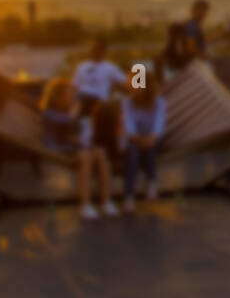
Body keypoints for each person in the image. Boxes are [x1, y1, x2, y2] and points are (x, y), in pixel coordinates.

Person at [40, 77, 116, 220]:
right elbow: (64, 123)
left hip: (72, 147)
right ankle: (85, 205)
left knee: (101, 152)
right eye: (70, 94)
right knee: (86, 157)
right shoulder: (48, 112)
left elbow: (78, 132)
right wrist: (75, 113)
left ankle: (106, 201)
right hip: (57, 148)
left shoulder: (69, 110)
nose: (73, 97)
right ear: (59, 97)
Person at [120, 77, 167, 211]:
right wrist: (139, 139)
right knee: (133, 151)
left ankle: (151, 182)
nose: (135, 90)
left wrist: (150, 138)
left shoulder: (159, 102)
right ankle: (129, 197)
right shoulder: (127, 102)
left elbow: (159, 124)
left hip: (154, 138)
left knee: (150, 146)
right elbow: (129, 125)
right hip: (135, 138)